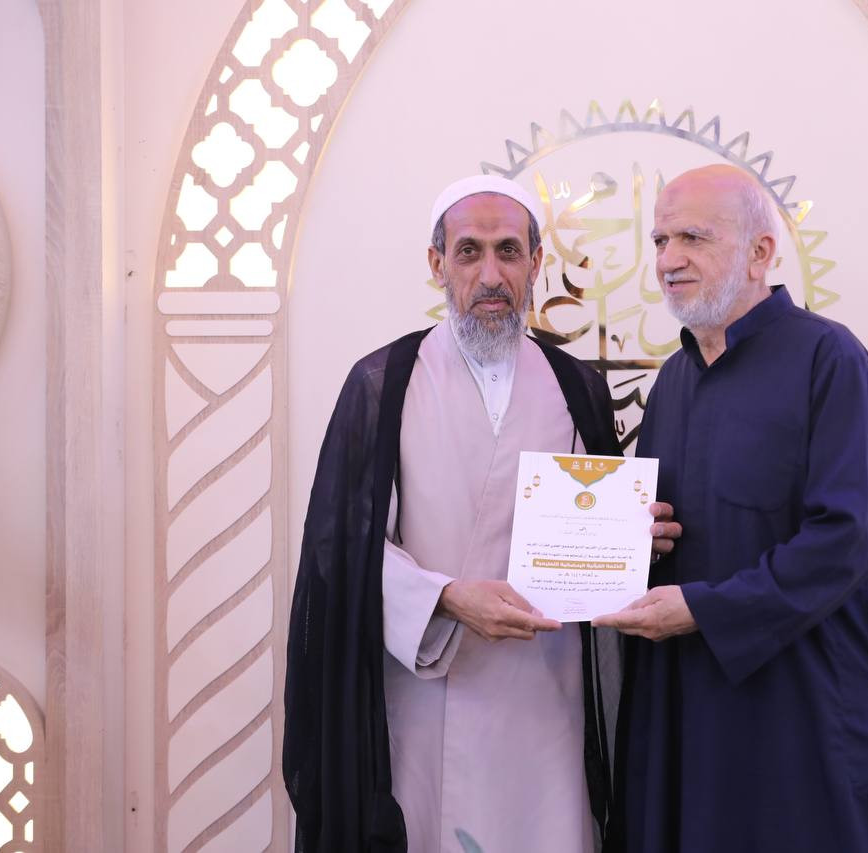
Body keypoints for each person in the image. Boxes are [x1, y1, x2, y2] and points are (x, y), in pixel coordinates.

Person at [282, 175, 681, 853]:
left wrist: (634, 540)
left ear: (536, 262)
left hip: (546, 704)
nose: (491, 275)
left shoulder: (577, 386)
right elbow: (340, 549)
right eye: (469, 251)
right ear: (437, 263)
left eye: (508, 251)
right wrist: (444, 598)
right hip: (424, 695)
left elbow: (594, 538)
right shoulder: (383, 382)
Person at [595, 165, 868, 852]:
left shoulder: (830, 360)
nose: (668, 259)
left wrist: (705, 609)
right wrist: (635, 542)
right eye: (659, 240)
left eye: (693, 237)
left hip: (808, 718)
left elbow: (847, 538)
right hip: (692, 717)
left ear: (760, 252)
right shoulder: (673, 381)